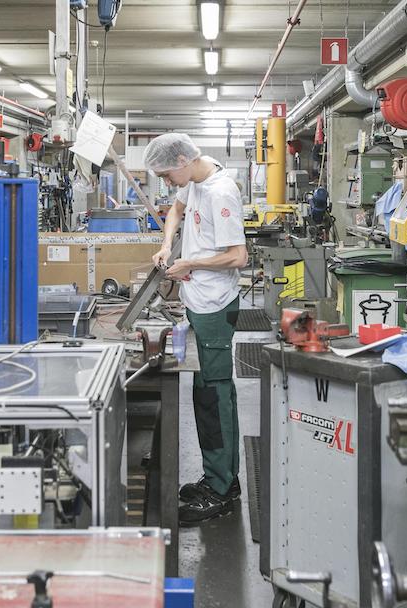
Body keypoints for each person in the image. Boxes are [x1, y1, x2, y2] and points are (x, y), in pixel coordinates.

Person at [144, 133, 248, 525]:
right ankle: (221, 478)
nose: (167, 182)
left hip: (215, 307)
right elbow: (176, 208)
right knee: (208, 394)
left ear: (183, 160)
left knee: (214, 398)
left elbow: (238, 256)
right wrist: (167, 243)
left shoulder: (221, 192)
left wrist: (191, 264)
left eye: (166, 174)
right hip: (199, 302)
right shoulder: (196, 181)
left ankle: (220, 492)